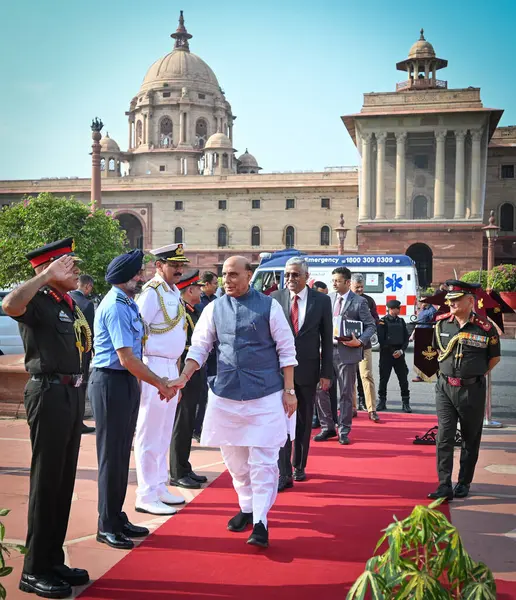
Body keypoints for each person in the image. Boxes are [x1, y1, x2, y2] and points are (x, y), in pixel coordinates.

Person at [168, 256, 297, 548]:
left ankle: (261, 521)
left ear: (249, 276)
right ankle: (247, 507)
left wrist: (289, 391)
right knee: (236, 463)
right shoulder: (214, 308)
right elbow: (200, 347)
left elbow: (286, 349)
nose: (228, 280)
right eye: (224, 275)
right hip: (225, 394)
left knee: (263, 461)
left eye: (234, 275)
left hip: (265, 395)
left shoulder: (269, 306)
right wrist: (184, 376)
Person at [3, 238, 91, 598]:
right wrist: (43, 277)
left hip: (71, 394)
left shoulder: (67, 304)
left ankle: (52, 559)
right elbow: (9, 304)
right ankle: (33, 569)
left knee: (62, 481)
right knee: (45, 481)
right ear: (48, 268)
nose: (76, 270)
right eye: (68, 265)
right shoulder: (37, 301)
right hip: (49, 393)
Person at [89, 249, 176, 550]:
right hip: (111, 382)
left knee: (120, 454)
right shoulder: (115, 305)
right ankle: (106, 524)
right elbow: (126, 358)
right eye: (137, 274)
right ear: (125, 277)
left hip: (125, 383)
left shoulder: (127, 303)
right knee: (111, 457)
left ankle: (116, 515)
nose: (140, 278)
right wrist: (160, 383)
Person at [428, 280, 501, 501]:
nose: (450, 303)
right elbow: (437, 353)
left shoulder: (485, 328)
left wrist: (473, 375)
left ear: (470, 302)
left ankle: (463, 482)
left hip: (472, 390)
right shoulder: (441, 324)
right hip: (445, 388)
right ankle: (444, 485)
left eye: (456, 300)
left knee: (470, 438)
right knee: (444, 436)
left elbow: (494, 358)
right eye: (449, 300)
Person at [133, 243, 190, 515]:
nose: (179, 270)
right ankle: (145, 493)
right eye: (173, 265)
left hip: (171, 367)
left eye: (181, 265)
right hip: (153, 365)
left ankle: (159, 485)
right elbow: (137, 332)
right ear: (159, 266)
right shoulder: (152, 293)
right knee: (149, 431)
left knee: (164, 430)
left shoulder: (173, 292)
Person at [272, 257, 333, 490]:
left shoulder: (322, 301)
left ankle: (299, 465)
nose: (290, 279)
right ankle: (283, 471)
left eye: (295, 275)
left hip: (308, 370)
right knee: (280, 422)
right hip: (279, 372)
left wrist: (326, 372)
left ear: (307, 277)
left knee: (304, 421)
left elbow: (327, 340)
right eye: (287, 275)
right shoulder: (275, 299)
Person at [314, 267, 376, 445]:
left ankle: (344, 430)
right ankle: (327, 427)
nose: (333, 283)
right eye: (333, 280)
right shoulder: (327, 299)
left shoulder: (359, 302)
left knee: (346, 393)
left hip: (347, 351)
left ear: (348, 283)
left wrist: (360, 341)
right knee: (321, 389)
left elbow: (371, 325)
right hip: (326, 351)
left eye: (337, 281)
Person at [169, 270, 209, 489]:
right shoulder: (179, 312)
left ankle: (184, 466)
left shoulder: (193, 312)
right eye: (198, 288)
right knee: (181, 422)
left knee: (189, 421)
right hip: (184, 369)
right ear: (189, 290)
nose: (201, 291)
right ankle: (176, 471)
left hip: (195, 371)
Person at [350, 273, 380, 422]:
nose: (360, 289)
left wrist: (367, 319)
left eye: (362, 287)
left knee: (366, 375)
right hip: (347, 344)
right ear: (350, 285)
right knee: (349, 378)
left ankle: (371, 409)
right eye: (357, 287)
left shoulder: (369, 300)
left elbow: (376, 320)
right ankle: (352, 408)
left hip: (364, 344)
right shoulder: (345, 300)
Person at [70, 274, 96, 434]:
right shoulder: (86, 304)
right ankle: (77, 422)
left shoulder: (67, 300)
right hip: (82, 352)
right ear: (87, 286)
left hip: (67, 352)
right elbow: (91, 331)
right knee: (80, 387)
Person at [377, 300, 411, 413]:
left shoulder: (401, 321)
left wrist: (401, 351)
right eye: (398, 308)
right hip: (387, 354)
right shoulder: (382, 322)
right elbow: (381, 340)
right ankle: (382, 401)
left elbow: (406, 338)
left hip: (399, 355)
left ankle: (406, 402)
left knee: (403, 379)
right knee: (384, 379)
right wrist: (393, 351)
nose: (399, 310)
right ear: (392, 309)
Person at [411, 300, 437, 382]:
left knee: (427, 356)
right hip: (420, 333)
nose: (421, 302)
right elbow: (418, 323)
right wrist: (413, 334)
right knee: (420, 356)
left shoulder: (432, 311)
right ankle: (421, 375)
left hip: (427, 334)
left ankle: (424, 375)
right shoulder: (423, 310)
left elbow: (434, 324)